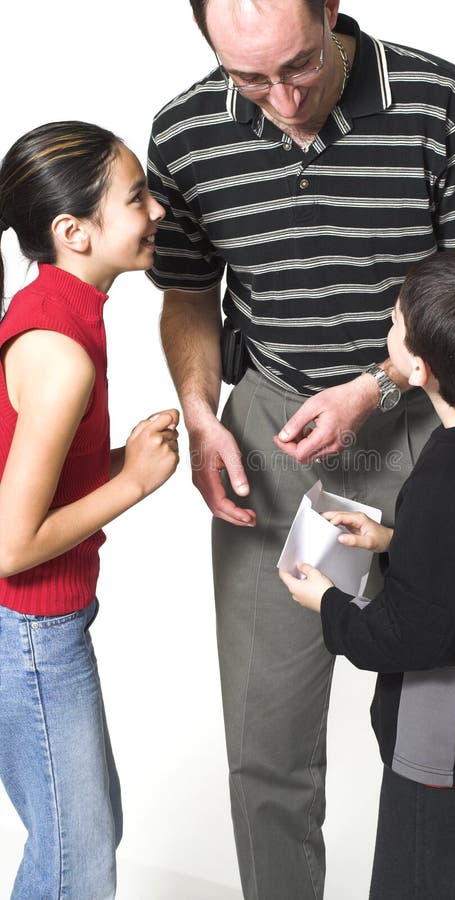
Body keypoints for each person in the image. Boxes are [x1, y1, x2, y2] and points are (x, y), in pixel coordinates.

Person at [147, 1, 455, 896]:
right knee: (265, 744)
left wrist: (379, 386)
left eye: (298, 65)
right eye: (248, 77)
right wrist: (202, 414)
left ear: (330, 13)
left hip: (429, 431)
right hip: (271, 439)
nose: (279, 98)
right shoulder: (185, 129)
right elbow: (188, 295)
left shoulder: (436, 99)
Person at [280, 251, 455, 900]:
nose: (389, 322)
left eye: (396, 319)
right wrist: (390, 541)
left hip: (447, 752)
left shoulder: (446, 479)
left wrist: (327, 603)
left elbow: (412, 636)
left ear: (417, 367)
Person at [0, 121, 179, 900]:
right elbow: (11, 544)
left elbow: (34, 487)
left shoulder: (62, 311)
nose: (159, 211)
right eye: (137, 196)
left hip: (38, 625)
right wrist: (132, 482)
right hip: (28, 628)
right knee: (78, 860)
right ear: (73, 232)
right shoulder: (59, 349)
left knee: (84, 832)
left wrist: (121, 456)